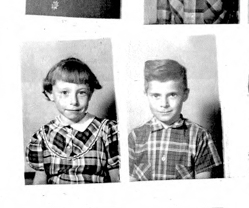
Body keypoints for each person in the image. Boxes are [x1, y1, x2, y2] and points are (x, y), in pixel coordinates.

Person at [26, 57, 120, 185]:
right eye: (65, 92)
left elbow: (117, 179)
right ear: (50, 94)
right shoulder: (41, 137)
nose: (74, 102)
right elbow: (39, 182)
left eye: (81, 93)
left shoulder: (108, 131)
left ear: (90, 93)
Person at [129, 59, 223, 181]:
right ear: (146, 94)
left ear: (185, 94)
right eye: (156, 96)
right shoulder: (135, 137)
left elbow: (203, 189)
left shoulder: (200, 137)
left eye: (172, 95)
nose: (164, 104)